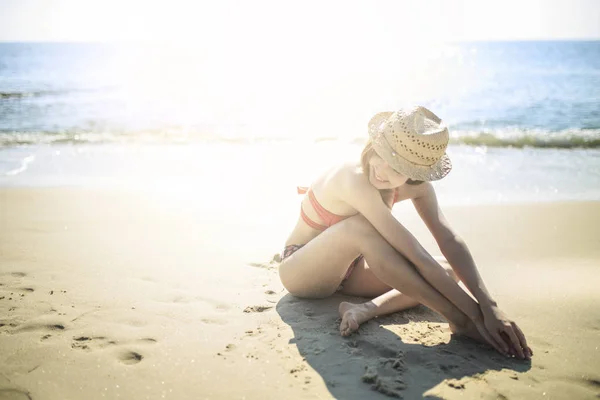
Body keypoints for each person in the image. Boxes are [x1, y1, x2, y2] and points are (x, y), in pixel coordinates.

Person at [278, 106, 532, 360]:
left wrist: (490, 306)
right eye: (381, 153)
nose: (382, 168)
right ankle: (458, 322)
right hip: (302, 269)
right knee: (363, 228)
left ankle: (365, 309)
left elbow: (448, 239)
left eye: (397, 169)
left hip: (352, 272)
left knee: (448, 270)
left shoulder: (418, 188)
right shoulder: (352, 177)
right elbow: (414, 255)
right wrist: (471, 317)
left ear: (415, 175)